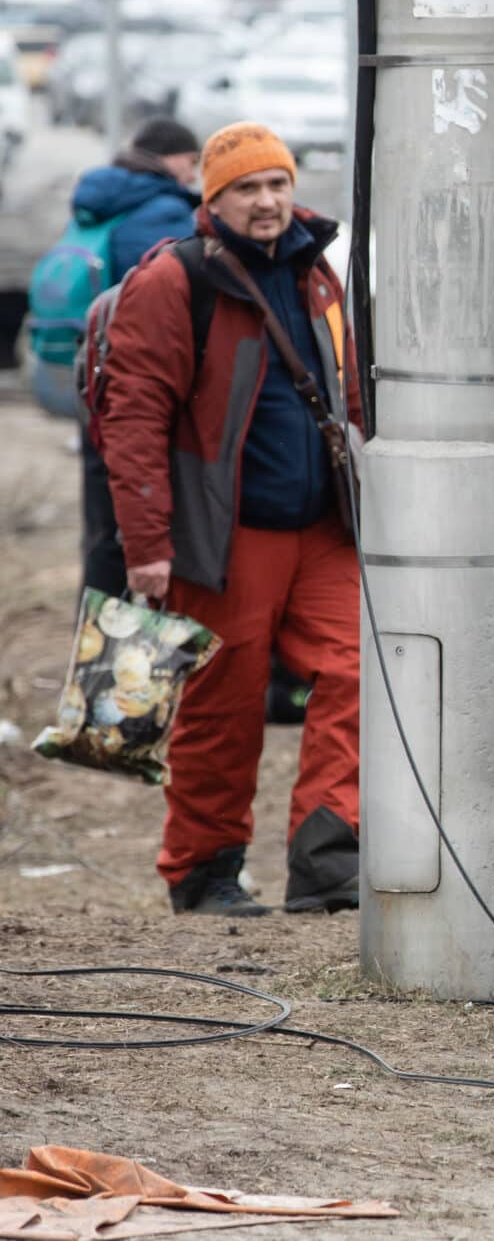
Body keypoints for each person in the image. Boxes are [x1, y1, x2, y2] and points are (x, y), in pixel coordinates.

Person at [98, 122, 364, 918]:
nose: (268, 200)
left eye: (277, 183)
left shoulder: (319, 270)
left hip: (321, 529)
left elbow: (348, 391)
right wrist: (146, 545)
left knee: (360, 675)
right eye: (246, 187)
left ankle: (327, 860)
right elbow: (133, 418)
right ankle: (203, 869)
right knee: (224, 702)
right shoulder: (175, 281)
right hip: (226, 532)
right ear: (212, 199)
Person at [71, 118, 202, 596]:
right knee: (130, 521)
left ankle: (95, 650)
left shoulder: (101, 195)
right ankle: (119, 655)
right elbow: (161, 291)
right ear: (171, 159)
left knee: (102, 526)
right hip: (134, 369)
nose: (192, 176)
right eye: (190, 164)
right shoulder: (162, 208)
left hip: (92, 363)